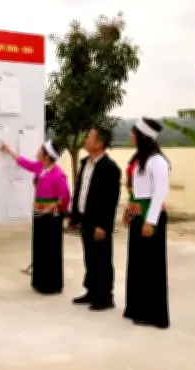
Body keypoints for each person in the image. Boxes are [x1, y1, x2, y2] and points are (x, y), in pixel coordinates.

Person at [0, 138, 71, 294]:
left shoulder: (58, 174)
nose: (37, 152)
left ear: (47, 155)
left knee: (50, 250)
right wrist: (9, 150)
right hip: (39, 215)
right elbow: (24, 163)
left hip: (51, 218)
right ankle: (39, 282)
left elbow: (65, 197)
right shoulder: (40, 167)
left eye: (40, 150)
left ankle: (52, 284)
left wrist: (54, 206)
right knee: (39, 248)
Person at [123, 117, 171, 329]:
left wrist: (150, 221)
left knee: (151, 268)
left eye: (134, 133)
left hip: (150, 218)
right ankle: (136, 308)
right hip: (138, 217)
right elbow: (137, 192)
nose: (131, 136)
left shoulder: (157, 161)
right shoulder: (140, 159)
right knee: (137, 265)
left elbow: (159, 193)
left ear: (143, 136)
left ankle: (152, 314)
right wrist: (129, 211)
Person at [70, 127, 121, 311]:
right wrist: (75, 215)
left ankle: (105, 297)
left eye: (89, 137)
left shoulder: (110, 168)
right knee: (90, 257)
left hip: (99, 222)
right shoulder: (85, 163)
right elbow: (80, 191)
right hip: (85, 218)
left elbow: (111, 201)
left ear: (99, 143)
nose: (86, 139)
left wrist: (103, 225)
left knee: (102, 259)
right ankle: (91, 291)